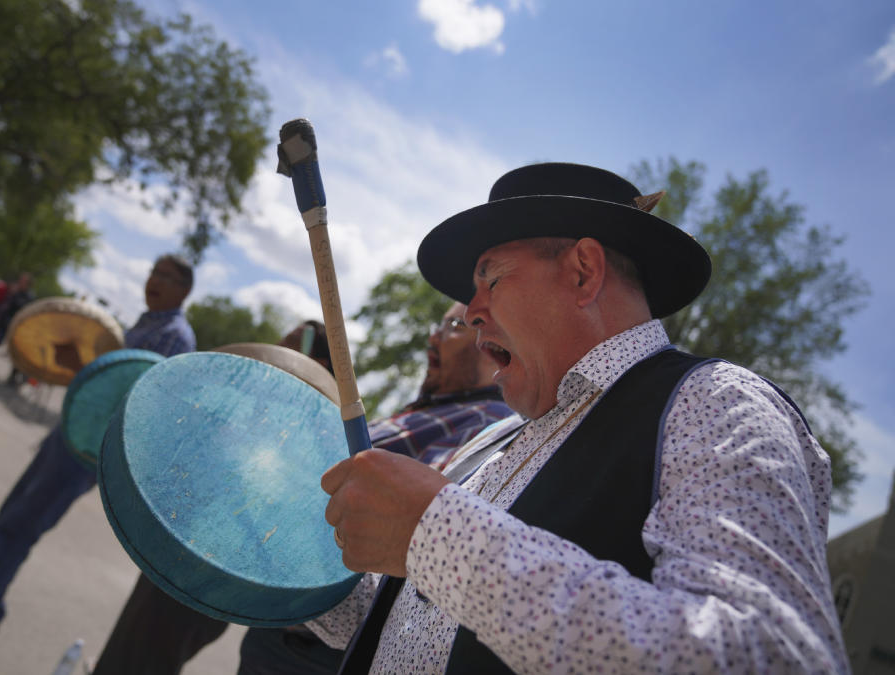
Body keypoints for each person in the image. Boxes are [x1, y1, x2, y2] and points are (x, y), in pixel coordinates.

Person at [310, 163, 847, 673]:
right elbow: (396, 618)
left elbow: (771, 655)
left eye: (490, 278)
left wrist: (439, 535)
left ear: (583, 272)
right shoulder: (495, 438)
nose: (470, 311)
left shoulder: (713, 403)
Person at [88, 304, 515, 675]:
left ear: (492, 348)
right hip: (273, 581)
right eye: (438, 326)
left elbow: (394, 524)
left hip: (317, 634)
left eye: (456, 326)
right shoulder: (435, 407)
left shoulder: (484, 424)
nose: (435, 337)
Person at [0, 254, 196, 658]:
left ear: (185, 290)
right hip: (71, 437)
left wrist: (85, 366)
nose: (153, 280)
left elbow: (136, 404)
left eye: (165, 276)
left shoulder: (175, 336)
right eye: (152, 271)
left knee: (18, 527)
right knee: (13, 519)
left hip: (86, 452)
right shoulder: (148, 324)